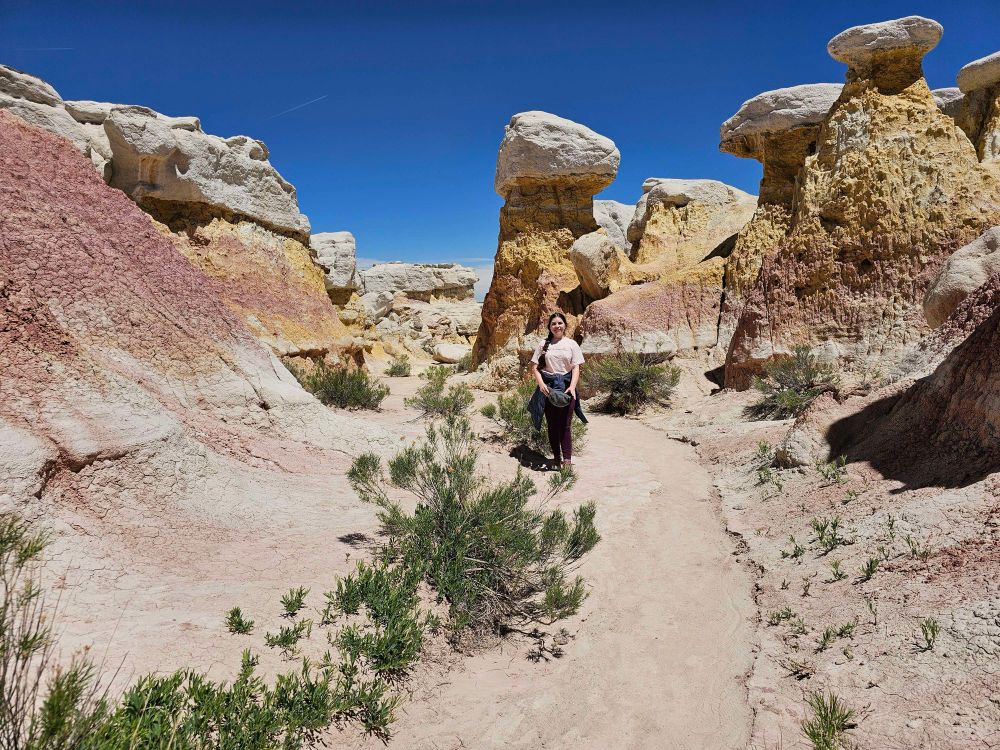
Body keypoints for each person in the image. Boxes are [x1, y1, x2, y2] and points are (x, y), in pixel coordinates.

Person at [528, 312, 587, 468]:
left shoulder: (572, 344)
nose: (557, 326)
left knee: (565, 425)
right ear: (550, 327)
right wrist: (541, 385)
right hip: (549, 388)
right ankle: (556, 458)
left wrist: (572, 387)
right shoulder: (543, 344)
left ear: (565, 325)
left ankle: (567, 460)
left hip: (567, 387)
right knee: (552, 425)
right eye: (553, 324)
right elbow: (535, 368)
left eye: (560, 323)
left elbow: (576, 367)